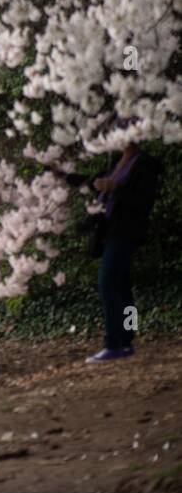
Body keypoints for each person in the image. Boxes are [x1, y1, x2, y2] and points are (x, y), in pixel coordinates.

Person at [82, 142, 160, 363]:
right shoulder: (117, 160)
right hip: (110, 230)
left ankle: (114, 342)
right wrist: (62, 174)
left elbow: (143, 200)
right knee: (124, 288)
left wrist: (114, 187)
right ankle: (128, 338)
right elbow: (91, 181)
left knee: (107, 283)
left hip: (126, 232)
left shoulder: (144, 164)